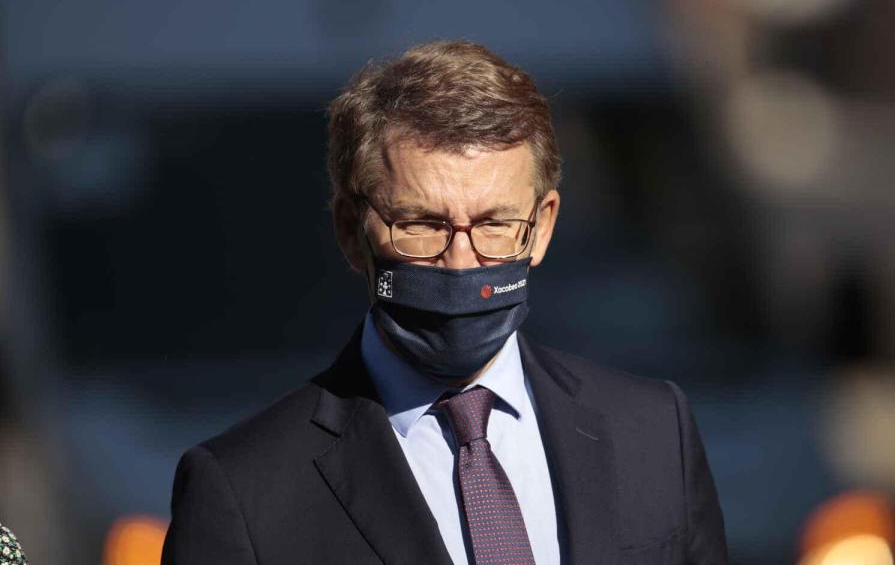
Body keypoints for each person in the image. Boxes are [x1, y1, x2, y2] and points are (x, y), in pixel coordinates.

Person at [161, 40, 727, 565]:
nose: (461, 263)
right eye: (421, 225)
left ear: (543, 226)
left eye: (494, 225)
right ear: (350, 231)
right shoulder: (244, 491)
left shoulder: (654, 433)